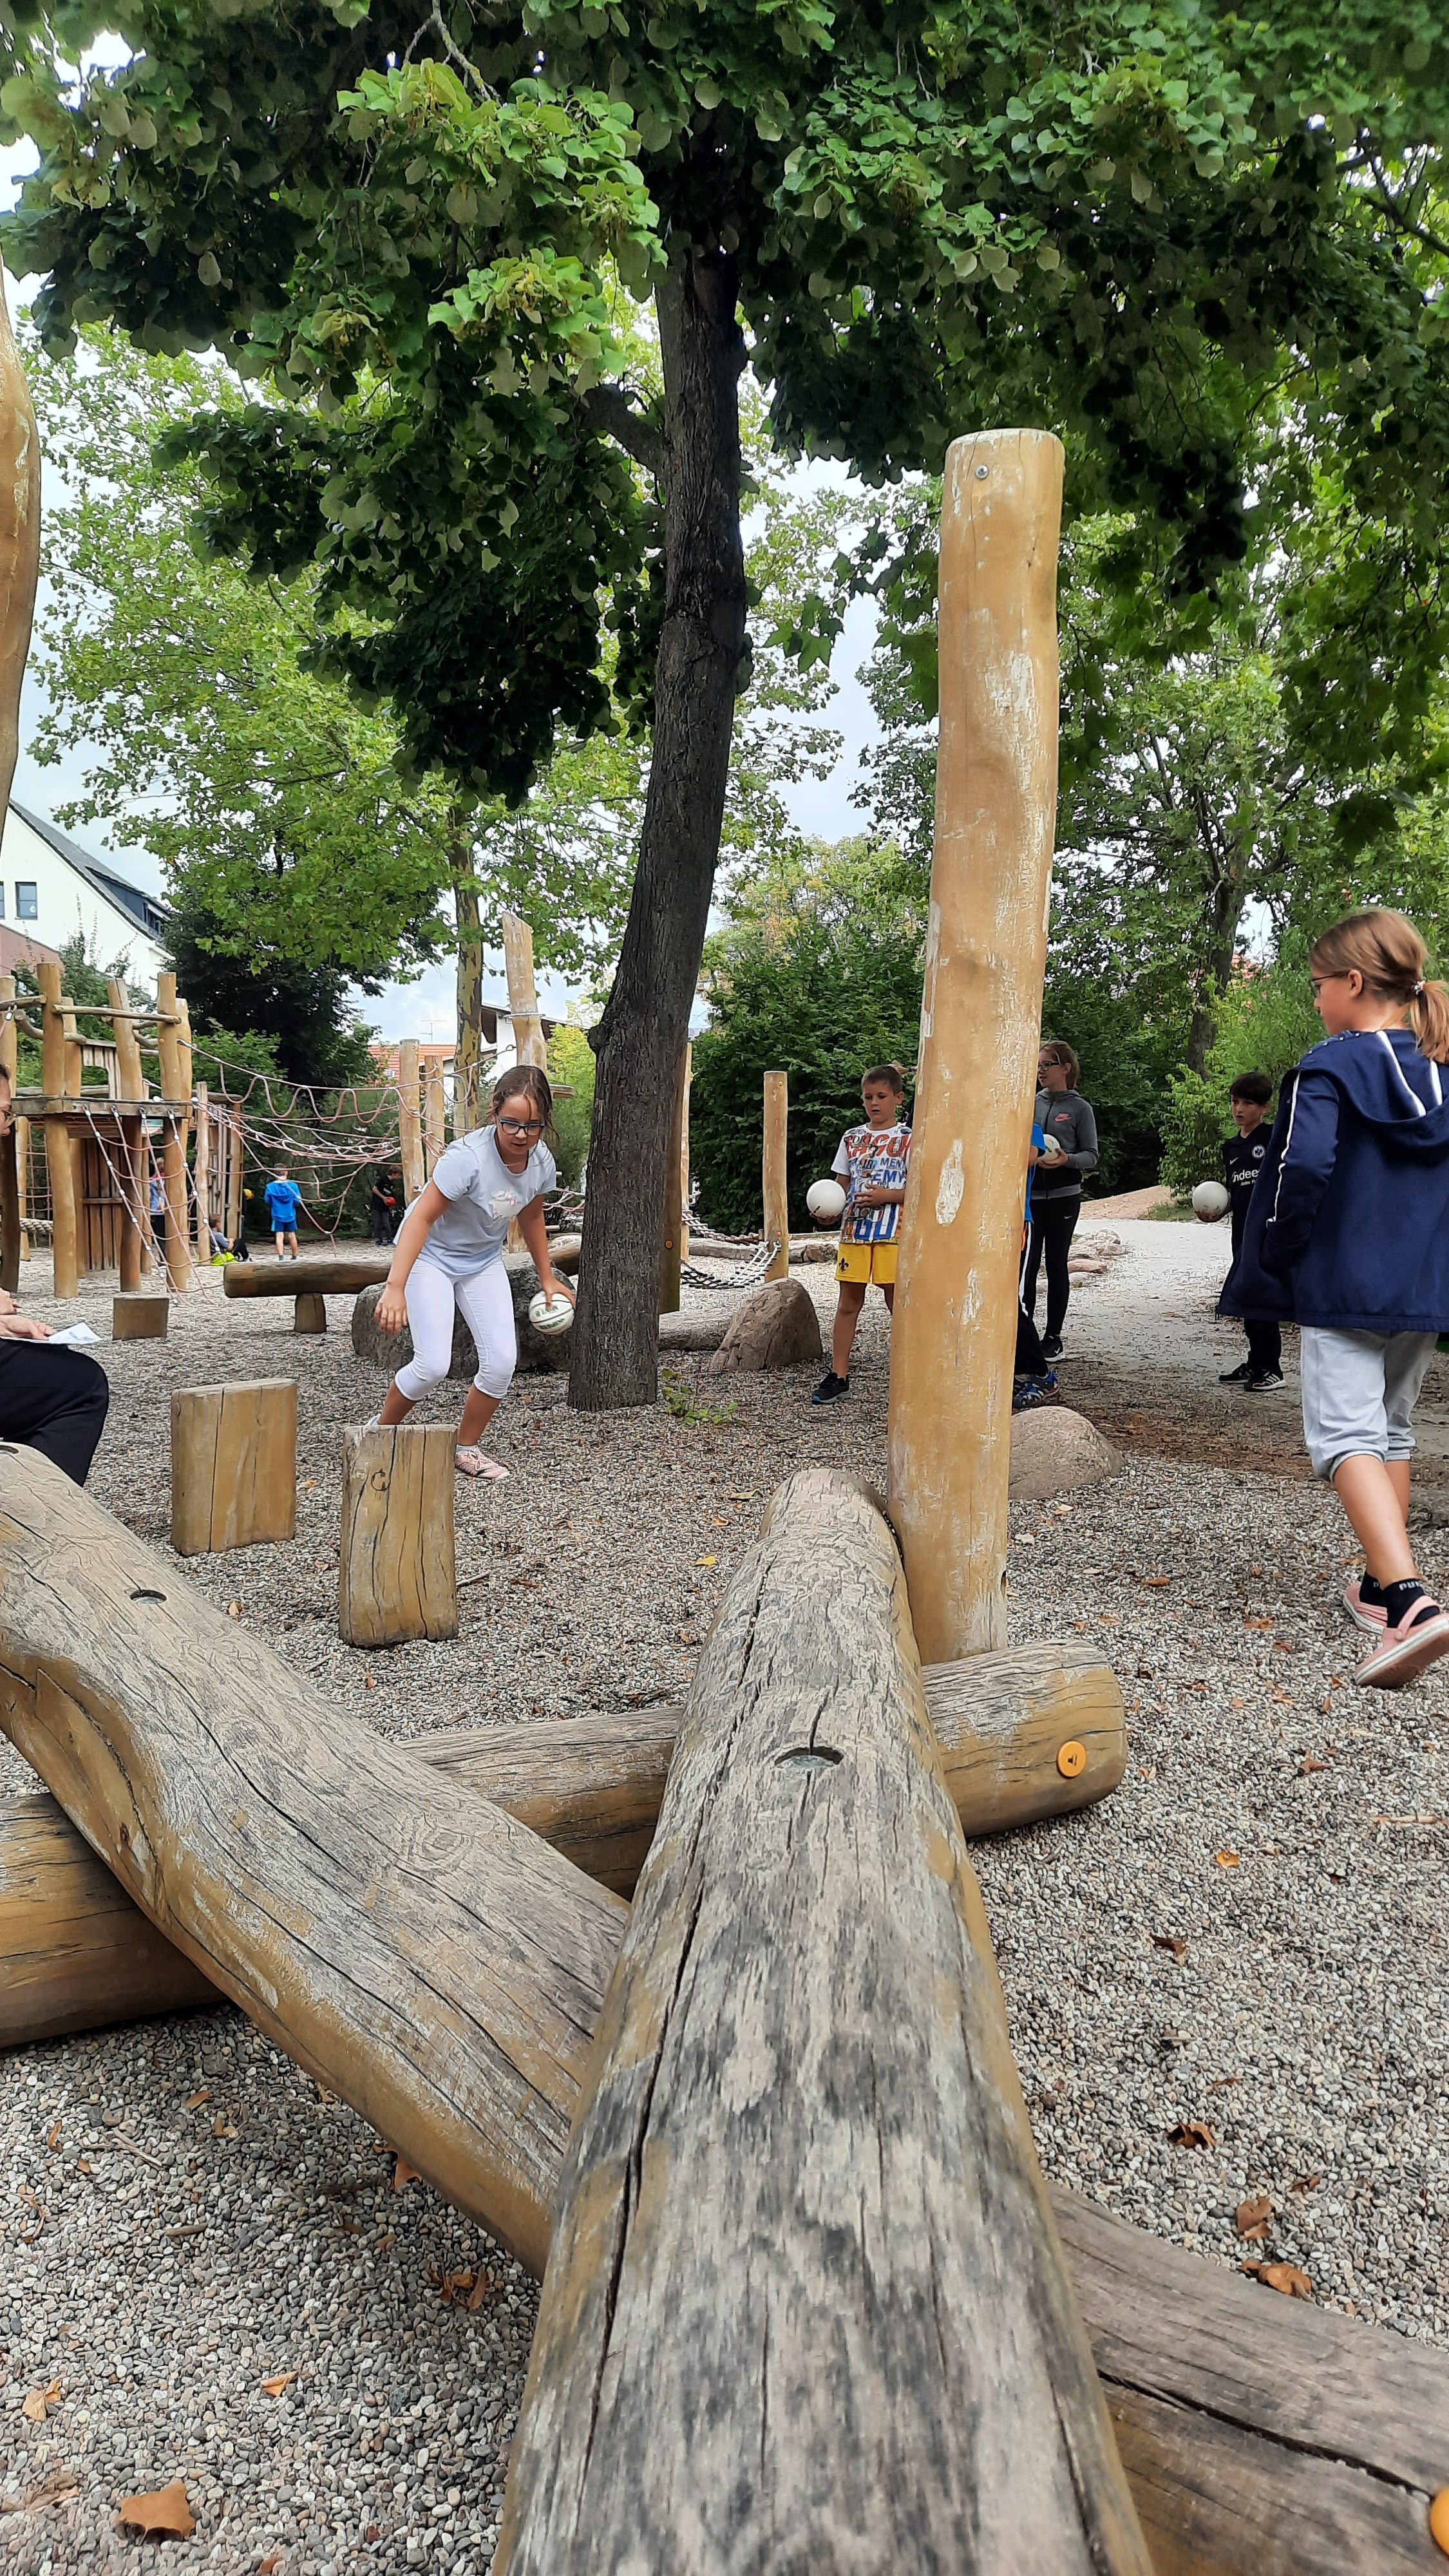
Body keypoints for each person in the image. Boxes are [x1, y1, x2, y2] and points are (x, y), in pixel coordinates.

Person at [1222, 908, 1449, 1689]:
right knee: (1392, 1429)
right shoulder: (1442, 1067)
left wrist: (1281, 1250)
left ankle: (1412, 1603)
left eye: (1319, 984)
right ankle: (1381, 1586)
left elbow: (1305, 1166)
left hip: (1345, 1282)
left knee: (1346, 1435)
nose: (1316, 998)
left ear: (1354, 982)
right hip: (1422, 1288)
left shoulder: (1330, 1067)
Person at [368, 1064, 574, 1479]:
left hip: (481, 1262)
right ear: (495, 1112)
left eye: (532, 1126)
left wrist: (547, 1276)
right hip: (431, 1257)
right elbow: (421, 1219)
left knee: (501, 1363)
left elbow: (532, 1216)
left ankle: (466, 1448)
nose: (521, 1135)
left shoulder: (540, 1162)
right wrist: (395, 1287)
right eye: (511, 1122)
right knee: (432, 1365)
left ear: (544, 1123)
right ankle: (377, 1435)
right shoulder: (468, 1159)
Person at [811, 1063, 912, 1406]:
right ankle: (839, 1374)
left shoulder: (909, 1139)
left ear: (898, 1098)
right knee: (848, 1302)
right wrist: (828, 1211)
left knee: (896, 1300)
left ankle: (909, 1372)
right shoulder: (851, 1138)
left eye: (881, 1096)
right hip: (854, 1231)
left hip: (893, 1232)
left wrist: (887, 1196)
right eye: (868, 1097)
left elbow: (920, 1189)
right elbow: (841, 1185)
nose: (874, 1103)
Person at [1207, 1072, 1283, 1392]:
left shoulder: (1274, 1139)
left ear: (1265, 1107)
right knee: (1247, 1294)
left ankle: (1272, 1368)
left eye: (1248, 1103)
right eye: (1235, 1101)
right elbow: (1236, 1194)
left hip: (1266, 1232)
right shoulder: (1231, 1148)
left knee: (1262, 1295)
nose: (1239, 1109)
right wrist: (1217, 1209)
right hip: (1241, 1233)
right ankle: (1255, 1361)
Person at [1025, 1040, 1098, 1363]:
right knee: (1027, 1266)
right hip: (1030, 1198)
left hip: (1064, 1198)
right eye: (1038, 1065)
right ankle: (1024, 1335)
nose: (1041, 1071)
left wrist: (1066, 1159)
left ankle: (1053, 1337)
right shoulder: (1030, 1103)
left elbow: (1091, 1156)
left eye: (1047, 1065)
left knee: (1056, 1264)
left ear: (1065, 1068)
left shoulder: (1080, 1109)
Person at [1014, 1115, 1060, 1410]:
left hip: (1017, 1224)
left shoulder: (1029, 1128)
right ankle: (1016, 1370)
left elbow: (1028, 1157)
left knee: (1013, 1303)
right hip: (983, 1226)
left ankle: (1042, 1375)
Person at [263, 1165, 303, 1260]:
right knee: (292, 1235)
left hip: (277, 1214)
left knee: (279, 1235)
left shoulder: (270, 1187)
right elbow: (298, 1200)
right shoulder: (293, 1186)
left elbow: (267, 1200)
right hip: (290, 1214)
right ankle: (294, 1256)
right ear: (286, 1173)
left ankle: (281, 1257)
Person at [369, 1169, 399, 1246]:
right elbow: (375, 1189)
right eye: (399, 1175)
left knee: (386, 1222)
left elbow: (390, 1195)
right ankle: (379, 1240)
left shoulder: (392, 1184)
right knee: (378, 1223)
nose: (399, 1177)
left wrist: (391, 1203)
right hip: (376, 1204)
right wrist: (383, 1198)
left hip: (385, 1205)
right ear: (394, 1174)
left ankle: (389, 1239)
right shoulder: (382, 1180)